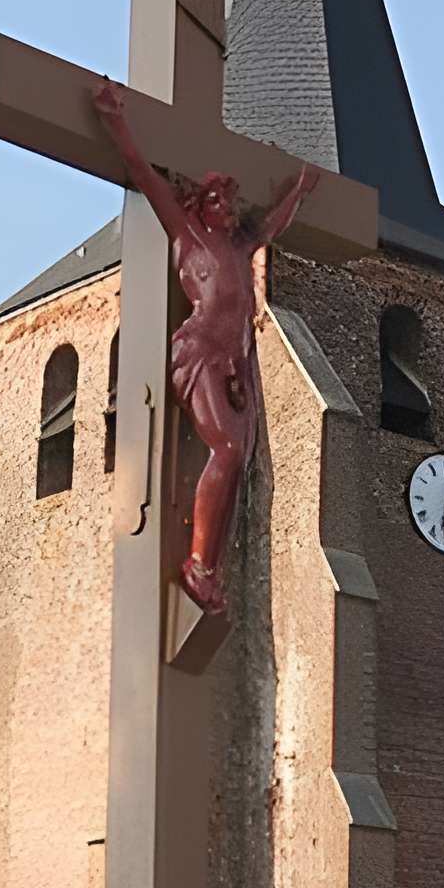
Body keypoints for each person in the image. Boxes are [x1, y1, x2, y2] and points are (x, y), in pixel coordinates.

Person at [90, 79, 321, 616]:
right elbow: (146, 176)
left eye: (230, 199)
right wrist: (115, 122)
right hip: (198, 355)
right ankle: (198, 566)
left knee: (239, 462)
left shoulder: (240, 248)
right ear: (200, 202)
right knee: (228, 450)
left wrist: (302, 191)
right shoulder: (188, 237)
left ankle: (209, 568)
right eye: (216, 197)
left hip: (235, 362)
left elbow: (272, 225)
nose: (225, 205)